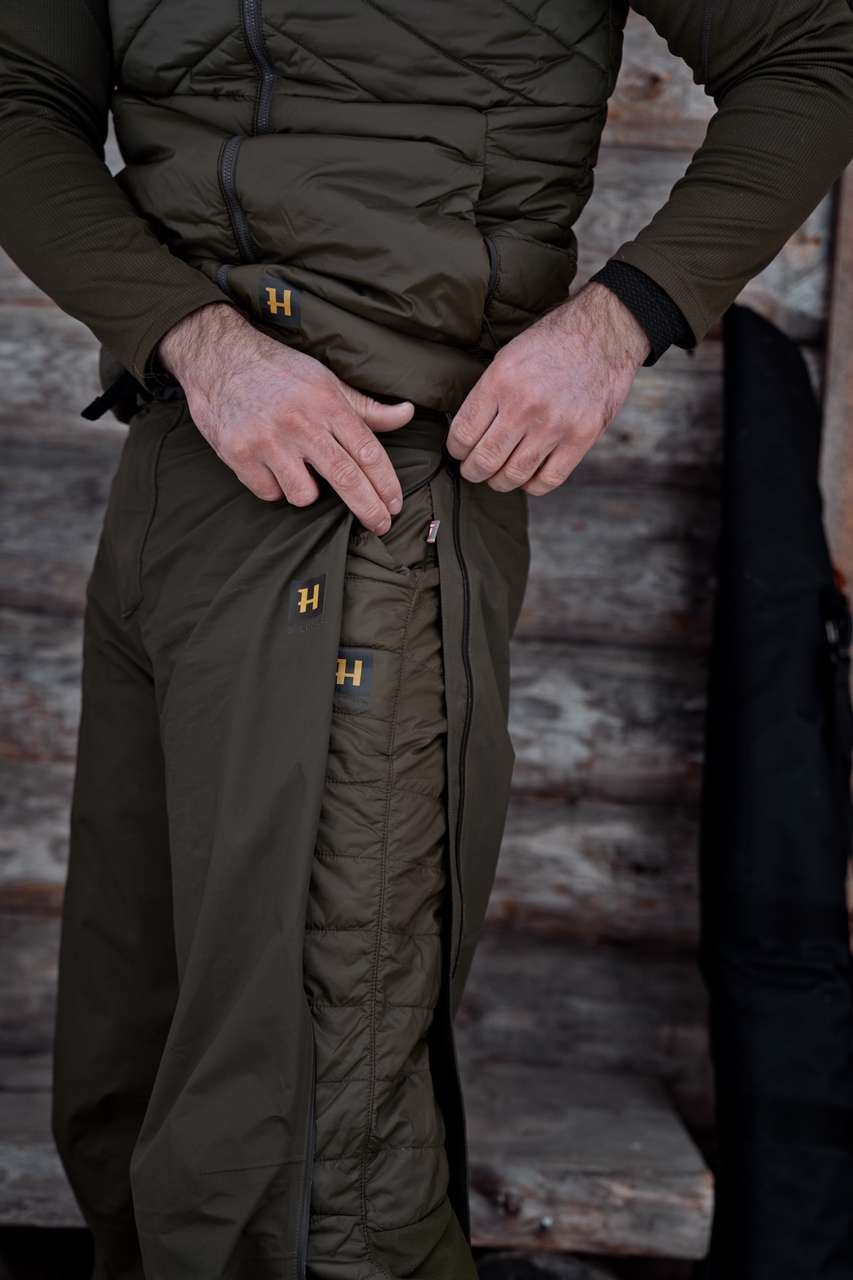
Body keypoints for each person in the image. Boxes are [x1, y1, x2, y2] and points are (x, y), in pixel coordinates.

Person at [1, 3, 852, 1278]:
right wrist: (196, 340)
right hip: (180, 465)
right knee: (134, 1097)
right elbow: (15, 89)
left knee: (306, 1175)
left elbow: (816, 51)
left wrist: (615, 321)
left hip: (373, 506)